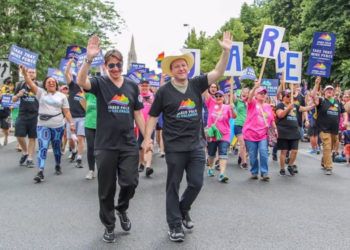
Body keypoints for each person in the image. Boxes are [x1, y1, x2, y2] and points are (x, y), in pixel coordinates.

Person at [142, 31, 233, 242]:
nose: (182, 68)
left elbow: (218, 72)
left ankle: (183, 210)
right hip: (174, 147)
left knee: (196, 183)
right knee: (173, 186)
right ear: (171, 70)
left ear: (187, 67)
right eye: (177, 66)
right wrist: (148, 139)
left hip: (195, 145)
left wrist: (225, 52)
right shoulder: (163, 91)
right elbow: (153, 117)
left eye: (184, 65)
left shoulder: (196, 83)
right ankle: (174, 225)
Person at [77, 35, 145, 244]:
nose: (115, 68)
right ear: (106, 66)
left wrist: (147, 138)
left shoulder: (133, 86)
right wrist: (88, 59)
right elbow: (81, 81)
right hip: (105, 145)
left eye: (118, 64)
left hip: (128, 145)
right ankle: (109, 226)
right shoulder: (100, 83)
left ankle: (122, 208)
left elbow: (138, 114)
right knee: (106, 190)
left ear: (122, 64)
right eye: (111, 65)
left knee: (130, 183)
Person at [20, 66, 75, 183]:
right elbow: (29, 81)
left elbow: (66, 111)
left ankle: (58, 164)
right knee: (43, 146)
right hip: (42, 124)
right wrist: (25, 73)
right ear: (45, 85)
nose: (51, 83)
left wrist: (71, 123)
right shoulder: (40, 93)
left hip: (58, 125)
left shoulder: (62, 96)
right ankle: (40, 171)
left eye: (53, 82)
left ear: (56, 84)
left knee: (56, 148)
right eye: (49, 82)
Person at [312, 77, 348, 175]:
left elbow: (344, 113)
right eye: (327, 90)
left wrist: (345, 120)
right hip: (323, 129)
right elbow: (313, 96)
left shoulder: (337, 102)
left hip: (334, 130)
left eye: (331, 90)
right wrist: (316, 84)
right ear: (324, 92)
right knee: (327, 146)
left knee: (331, 147)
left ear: (333, 92)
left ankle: (324, 161)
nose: (329, 91)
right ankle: (329, 167)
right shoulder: (321, 101)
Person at [276, 89, 314, 176]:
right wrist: (288, 108)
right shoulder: (280, 105)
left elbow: (304, 108)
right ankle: (282, 168)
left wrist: (313, 105)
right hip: (283, 131)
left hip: (294, 131)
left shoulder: (295, 105)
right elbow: (280, 115)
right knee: (284, 151)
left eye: (291, 96)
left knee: (295, 151)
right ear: (283, 97)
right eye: (288, 96)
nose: (290, 98)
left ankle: (290, 165)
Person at [243, 81, 275, 181]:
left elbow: (271, 119)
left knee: (264, 153)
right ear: (256, 95)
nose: (262, 95)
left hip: (262, 135)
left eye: (264, 93)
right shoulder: (252, 103)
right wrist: (254, 87)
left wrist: (275, 129)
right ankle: (254, 172)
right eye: (260, 93)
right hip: (250, 134)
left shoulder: (268, 106)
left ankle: (264, 173)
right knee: (252, 156)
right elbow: (249, 98)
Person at [206, 90, 236, 182]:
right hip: (213, 135)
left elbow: (234, 117)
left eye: (220, 96)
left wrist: (232, 109)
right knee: (211, 154)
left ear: (223, 98)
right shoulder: (211, 104)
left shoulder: (227, 107)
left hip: (224, 134)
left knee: (223, 153)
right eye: (216, 96)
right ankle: (210, 167)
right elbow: (205, 92)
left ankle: (222, 174)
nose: (218, 97)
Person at [65, 59, 86, 168]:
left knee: (80, 138)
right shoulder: (72, 85)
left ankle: (79, 157)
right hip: (71, 118)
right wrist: (69, 63)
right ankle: (73, 151)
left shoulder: (87, 88)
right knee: (71, 140)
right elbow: (66, 73)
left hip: (83, 117)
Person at [137, 79, 155, 176]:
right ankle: (141, 163)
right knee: (140, 145)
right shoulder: (137, 96)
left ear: (149, 86)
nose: (144, 87)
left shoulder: (152, 96)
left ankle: (148, 166)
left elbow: (157, 108)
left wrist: (151, 102)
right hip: (139, 124)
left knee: (149, 142)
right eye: (142, 85)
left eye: (146, 85)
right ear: (139, 86)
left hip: (150, 124)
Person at [233, 88, 249, 169]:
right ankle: (244, 162)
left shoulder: (250, 103)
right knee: (242, 144)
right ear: (241, 93)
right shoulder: (237, 101)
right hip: (238, 124)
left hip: (248, 126)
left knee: (248, 146)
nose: (245, 93)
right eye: (244, 92)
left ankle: (241, 156)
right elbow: (233, 97)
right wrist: (234, 87)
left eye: (247, 92)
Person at [84, 91, 97, 180]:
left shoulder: (104, 93)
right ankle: (91, 170)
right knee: (91, 147)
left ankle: (102, 169)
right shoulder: (88, 95)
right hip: (89, 124)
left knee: (102, 148)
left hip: (103, 126)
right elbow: (81, 100)